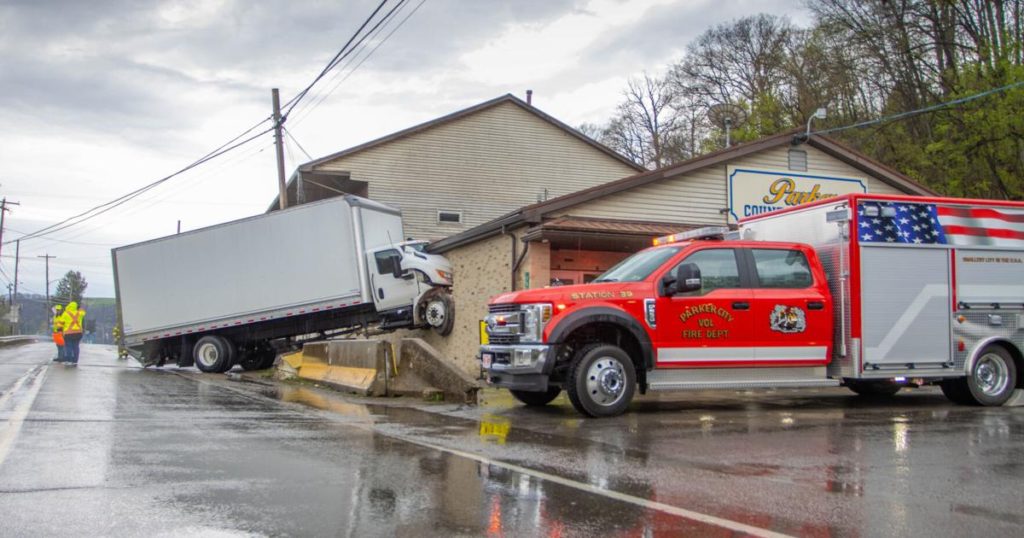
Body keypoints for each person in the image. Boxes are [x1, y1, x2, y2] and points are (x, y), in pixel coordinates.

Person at [59, 301, 86, 367]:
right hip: (78, 333)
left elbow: (60, 324)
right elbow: (83, 312)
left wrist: (59, 327)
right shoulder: (79, 313)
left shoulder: (66, 313)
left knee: (68, 347)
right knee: (76, 347)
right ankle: (75, 361)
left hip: (68, 334)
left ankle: (68, 360)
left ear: (69, 306)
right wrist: (80, 308)